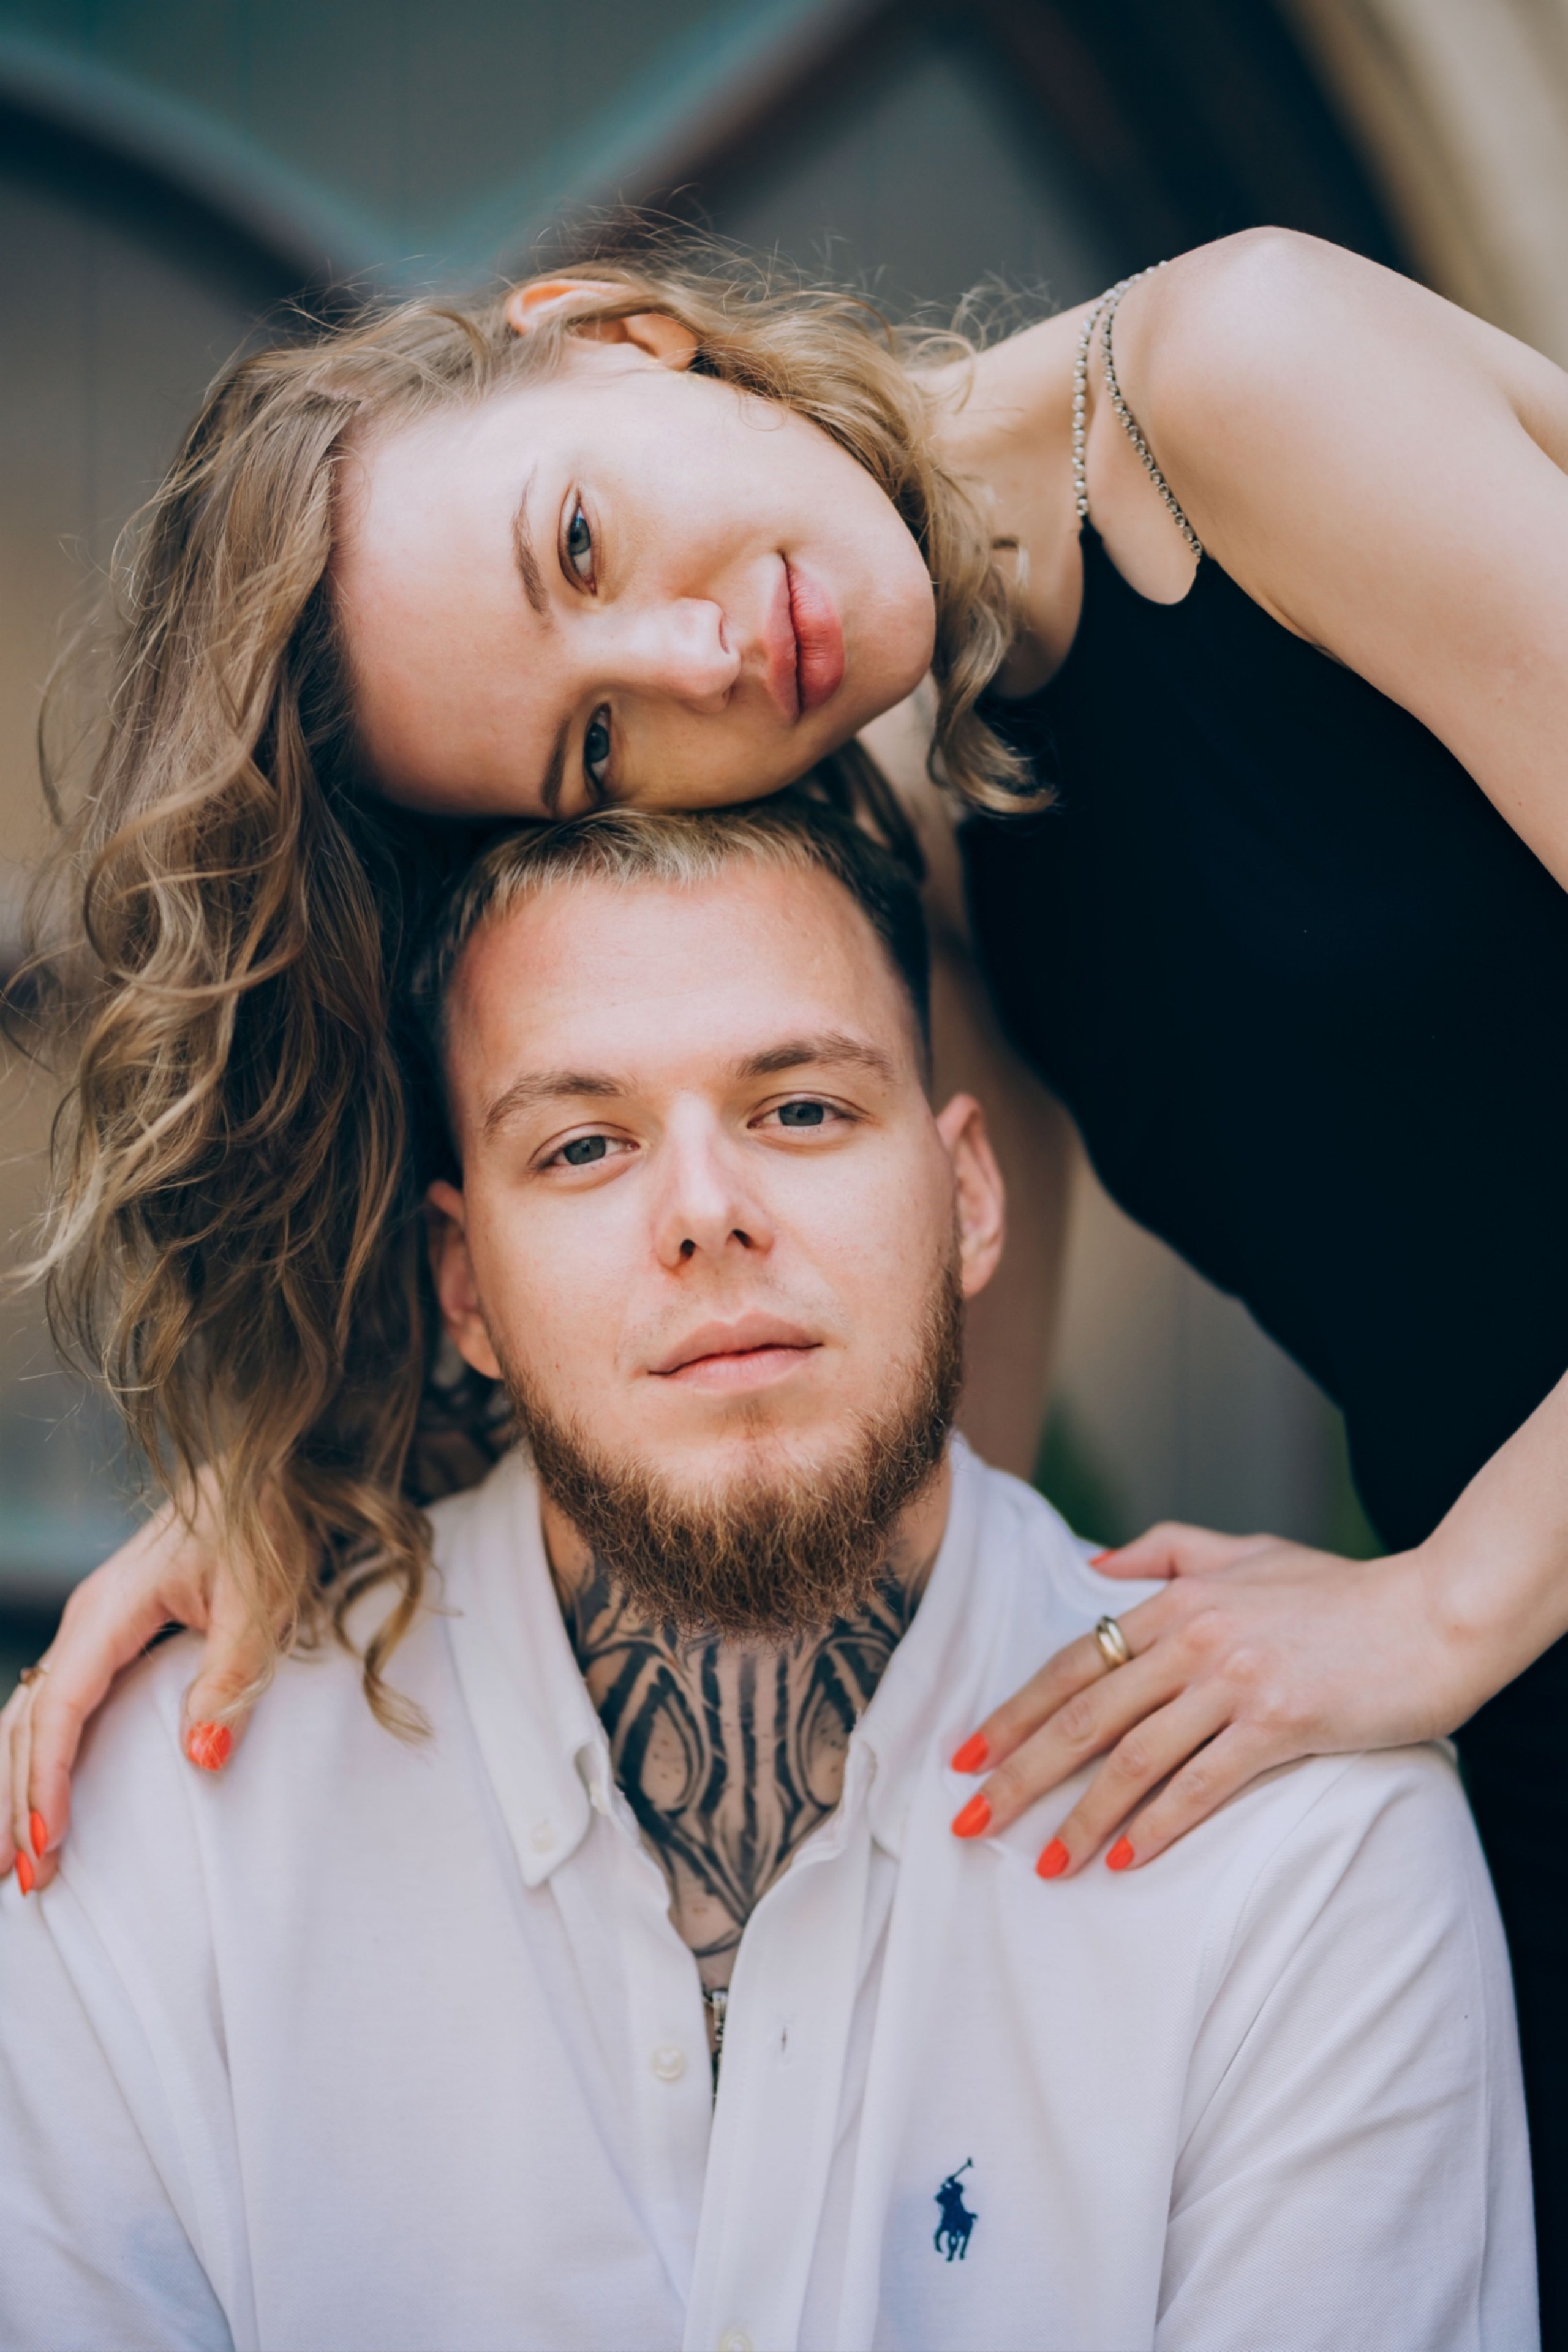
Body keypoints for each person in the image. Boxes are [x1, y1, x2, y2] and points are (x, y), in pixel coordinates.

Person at [4, 223, 1568, 2320]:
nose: (692, 659)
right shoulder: (946, 813)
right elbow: (920, 1469)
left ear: (617, 335)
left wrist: (1450, 1603)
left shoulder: (1235, 384)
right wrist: (284, 1516)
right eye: (589, 750)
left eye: (578, 541)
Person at [0, 797, 1534, 2351]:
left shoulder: (1300, 1850)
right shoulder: (161, 1830)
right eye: (584, 1144)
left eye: (799, 1110)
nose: (705, 1213)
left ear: (970, 1199)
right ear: (463, 1287)